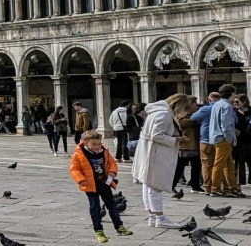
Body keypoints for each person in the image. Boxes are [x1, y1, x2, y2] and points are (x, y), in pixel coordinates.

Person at [131, 93, 194, 229]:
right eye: (185, 109)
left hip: (149, 151)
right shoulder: (164, 114)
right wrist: (175, 139)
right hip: (155, 154)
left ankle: (153, 216)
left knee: (148, 184)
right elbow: (157, 135)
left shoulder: (156, 111)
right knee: (155, 185)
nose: (184, 113)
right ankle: (160, 217)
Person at [70, 130, 133, 242]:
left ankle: (119, 227)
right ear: (85, 143)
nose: (97, 146)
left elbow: (112, 163)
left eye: (98, 144)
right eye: (93, 144)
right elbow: (74, 169)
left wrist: (112, 172)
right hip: (90, 185)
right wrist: (81, 179)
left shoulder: (104, 151)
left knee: (112, 205)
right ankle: (99, 231)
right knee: (95, 207)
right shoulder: (78, 154)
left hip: (104, 183)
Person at [203, 85, 240, 197]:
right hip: (223, 138)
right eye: (234, 94)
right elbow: (226, 124)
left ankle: (231, 187)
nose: (235, 96)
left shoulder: (217, 104)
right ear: (231, 93)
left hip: (215, 137)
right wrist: (229, 138)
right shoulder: (226, 106)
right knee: (219, 164)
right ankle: (215, 188)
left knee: (229, 164)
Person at [231, 96, 251, 197]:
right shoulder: (234, 112)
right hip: (238, 143)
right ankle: (239, 186)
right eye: (234, 102)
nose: (235, 103)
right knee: (238, 165)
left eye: (237, 102)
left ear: (244, 101)